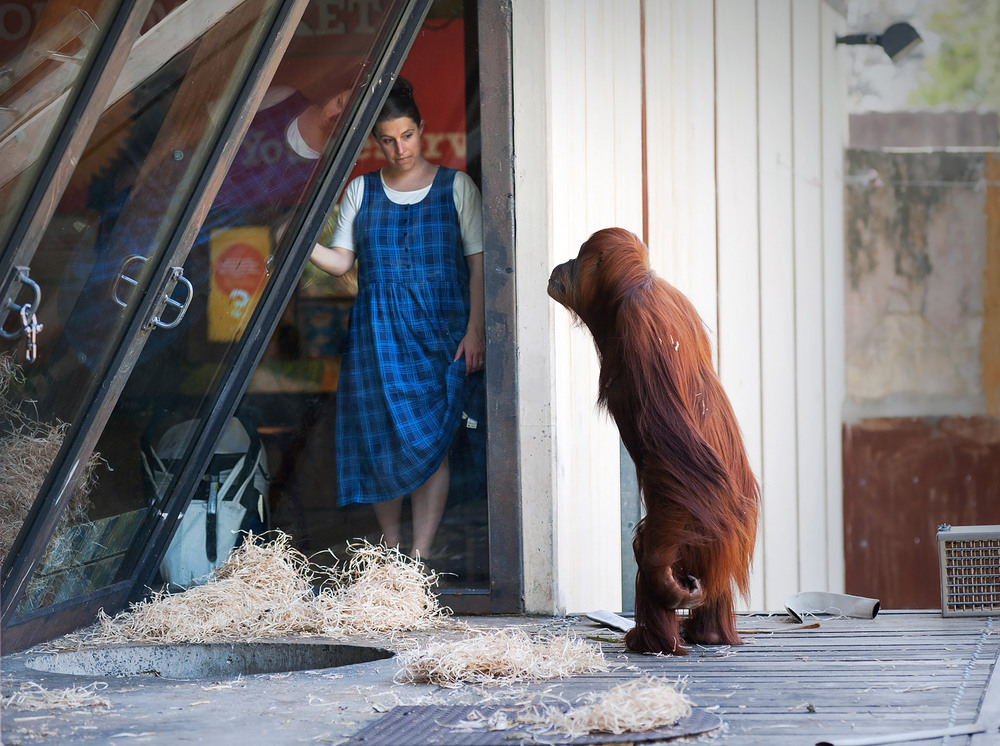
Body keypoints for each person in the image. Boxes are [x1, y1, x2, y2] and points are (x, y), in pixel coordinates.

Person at [310, 77, 484, 560]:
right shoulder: (361, 190)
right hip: (376, 336)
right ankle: (391, 552)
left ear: (422, 130)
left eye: (406, 135)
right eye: (387, 139)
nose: (398, 147)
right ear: (376, 141)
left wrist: (474, 329)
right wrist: (302, 243)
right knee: (381, 442)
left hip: (441, 331)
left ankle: (420, 558)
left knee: (433, 446)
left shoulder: (457, 187)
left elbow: (479, 265)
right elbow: (342, 263)